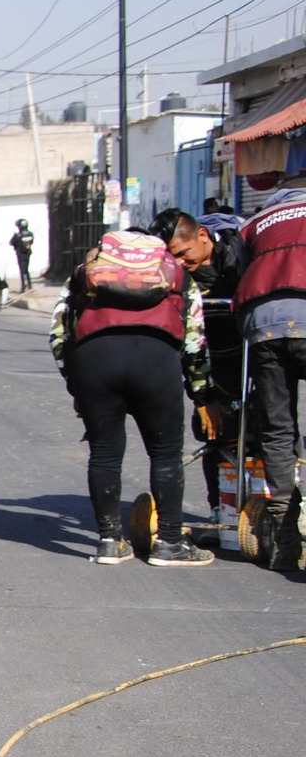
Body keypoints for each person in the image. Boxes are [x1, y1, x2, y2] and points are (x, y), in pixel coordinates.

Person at [49, 230, 212, 566]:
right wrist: (201, 392)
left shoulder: (85, 272)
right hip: (157, 359)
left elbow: (59, 334)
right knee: (165, 453)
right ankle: (169, 543)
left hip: (94, 361)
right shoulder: (176, 274)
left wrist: (76, 385)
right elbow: (195, 339)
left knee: (105, 453)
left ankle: (109, 541)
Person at [152, 207, 247, 523]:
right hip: (208, 364)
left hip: (252, 358)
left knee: (263, 435)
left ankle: (271, 509)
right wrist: (204, 399)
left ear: (202, 236)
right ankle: (222, 509)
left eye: (182, 253)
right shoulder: (178, 279)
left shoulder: (240, 256)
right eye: (172, 257)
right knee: (215, 436)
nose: (179, 262)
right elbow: (190, 346)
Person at [236, 178, 306, 569]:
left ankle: (284, 538)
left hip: (263, 326)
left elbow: (241, 272)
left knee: (279, 428)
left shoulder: (256, 222)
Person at [10, 218, 35, 293]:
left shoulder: (18, 235)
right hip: (28, 254)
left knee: (22, 270)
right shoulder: (30, 234)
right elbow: (31, 242)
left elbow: (11, 242)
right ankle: (30, 286)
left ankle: (23, 287)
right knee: (26, 270)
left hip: (20, 254)